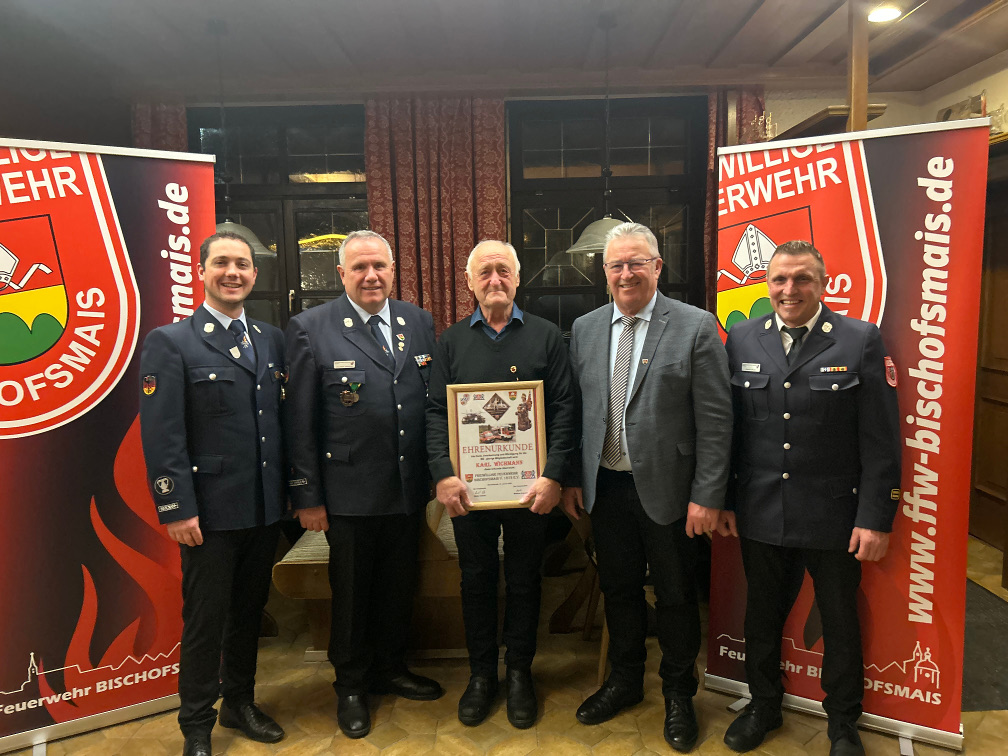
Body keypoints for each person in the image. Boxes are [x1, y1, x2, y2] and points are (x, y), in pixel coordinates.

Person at [721, 240, 901, 756]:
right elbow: (731, 430)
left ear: (822, 283)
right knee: (761, 616)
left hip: (834, 515)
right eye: (779, 279)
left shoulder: (859, 339)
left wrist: (876, 518)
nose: (789, 289)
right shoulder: (742, 337)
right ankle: (763, 706)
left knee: (838, 620)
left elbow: (881, 441)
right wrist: (726, 500)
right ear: (767, 284)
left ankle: (843, 722)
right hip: (760, 509)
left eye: (802, 278)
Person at [561, 222, 732, 752]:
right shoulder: (585, 328)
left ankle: (679, 694)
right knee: (620, 589)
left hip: (672, 492)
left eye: (637, 262)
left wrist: (707, 495)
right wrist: (572, 478)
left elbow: (716, 420)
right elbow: (577, 412)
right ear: (604, 272)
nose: (626, 273)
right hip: (606, 488)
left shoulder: (696, 326)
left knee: (676, 596)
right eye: (616, 265)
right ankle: (625, 680)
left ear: (658, 267)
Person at [283, 230, 442, 739]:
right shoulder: (311, 328)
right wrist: (307, 495)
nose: (371, 276)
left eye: (379, 266)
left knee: (399, 585)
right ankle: (350, 685)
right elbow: (299, 422)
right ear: (342, 274)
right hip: (347, 493)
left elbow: (429, 402)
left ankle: (390, 668)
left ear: (393, 270)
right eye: (360, 268)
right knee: (351, 595)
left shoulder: (417, 321)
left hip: (407, 487)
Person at [139, 231, 286, 756]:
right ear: (200, 271)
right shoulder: (171, 341)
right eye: (221, 262)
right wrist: (176, 507)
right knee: (205, 621)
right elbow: (163, 436)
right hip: (209, 514)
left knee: (249, 613)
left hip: (263, 507)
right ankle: (196, 725)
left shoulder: (271, 339)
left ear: (254, 274)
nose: (233, 273)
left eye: (242, 264)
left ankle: (239, 703)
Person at [426, 239, 577, 729]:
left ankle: (519, 673)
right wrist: (443, 473)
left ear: (517, 277)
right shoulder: (451, 342)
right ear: (469, 282)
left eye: (503, 270)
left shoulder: (547, 336)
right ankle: (480, 675)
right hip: (470, 491)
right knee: (476, 578)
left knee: (525, 578)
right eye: (485, 272)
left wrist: (554, 474)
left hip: (530, 489)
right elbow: (435, 413)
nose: (495, 279)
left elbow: (564, 410)